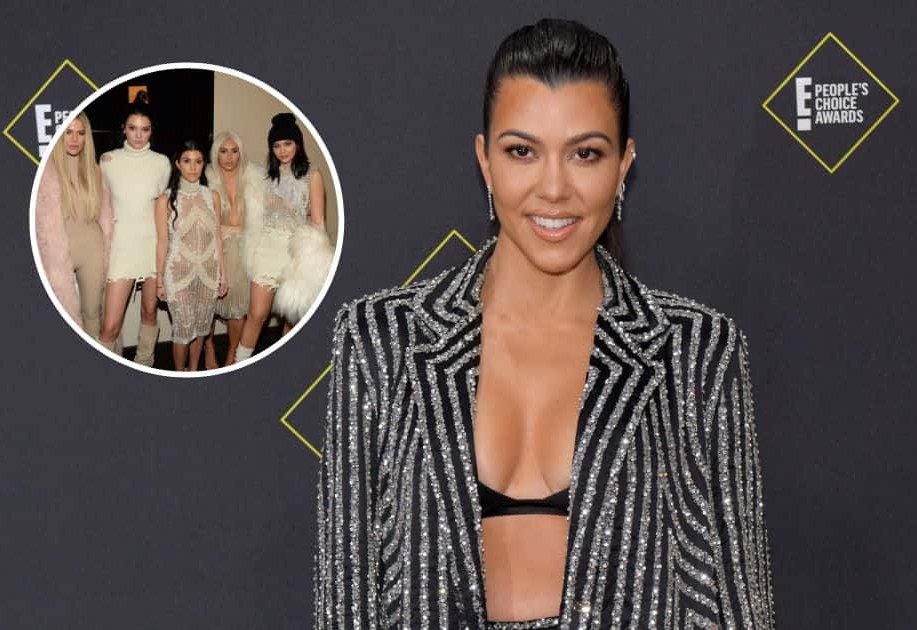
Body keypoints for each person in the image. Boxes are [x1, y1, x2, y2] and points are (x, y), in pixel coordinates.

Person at [313, 19, 776, 629]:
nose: (554, 188)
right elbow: (345, 599)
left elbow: (740, 604)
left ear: (624, 165)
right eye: (522, 151)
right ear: (484, 160)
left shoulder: (695, 351)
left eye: (586, 153)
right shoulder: (382, 340)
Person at [237, 112, 327, 363]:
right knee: (256, 314)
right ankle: (238, 363)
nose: (282, 151)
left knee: (293, 316)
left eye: (287, 143)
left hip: (294, 252)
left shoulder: (312, 175)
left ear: (298, 144)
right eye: (276, 145)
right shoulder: (265, 177)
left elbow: (318, 222)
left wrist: (314, 262)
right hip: (266, 250)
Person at [98, 103, 171, 363]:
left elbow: (162, 209)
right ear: (123, 129)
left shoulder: (162, 163)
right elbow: (101, 206)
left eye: (145, 129)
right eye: (133, 128)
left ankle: (145, 363)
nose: (139, 135)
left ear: (152, 131)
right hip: (121, 247)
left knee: (150, 313)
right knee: (110, 326)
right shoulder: (108, 160)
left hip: (152, 246)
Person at [34, 113, 112, 339]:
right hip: (58, 253)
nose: (75, 139)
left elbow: (105, 213)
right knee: (65, 317)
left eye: (80, 133)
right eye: (68, 132)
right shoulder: (45, 171)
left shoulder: (95, 171)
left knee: (93, 314)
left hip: (93, 249)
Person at [154, 141, 227, 371]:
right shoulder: (165, 200)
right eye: (187, 161)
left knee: (202, 328)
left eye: (198, 161)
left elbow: (217, 238)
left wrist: (223, 276)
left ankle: (194, 371)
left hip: (209, 272)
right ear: (178, 164)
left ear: (204, 164)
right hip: (177, 273)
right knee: (183, 329)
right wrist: (159, 281)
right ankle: (179, 374)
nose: (193, 167)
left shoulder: (212, 196)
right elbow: (162, 242)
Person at [202, 131, 263, 368]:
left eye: (234, 151)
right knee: (207, 306)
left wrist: (235, 230)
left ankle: (232, 353)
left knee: (238, 307)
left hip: (244, 250)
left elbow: (260, 222)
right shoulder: (205, 178)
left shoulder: (256, 179)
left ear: (241, 153)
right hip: (211, 249)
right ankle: (208, 347)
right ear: (215, 153)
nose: (229, 157)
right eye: (223, 151)